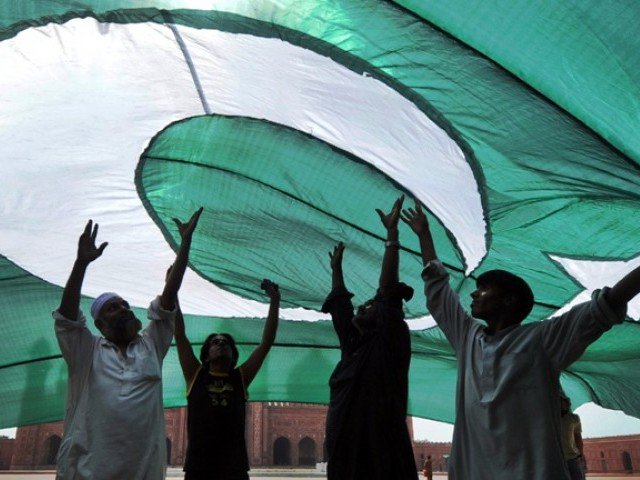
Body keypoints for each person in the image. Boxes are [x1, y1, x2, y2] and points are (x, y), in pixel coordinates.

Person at [401, 199, 636, 479]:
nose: (474, 294)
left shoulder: (543, 339)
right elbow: (439, 292)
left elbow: (607, 304)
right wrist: (424, 235)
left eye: (484, 289)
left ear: (509, 300)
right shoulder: (469, 340)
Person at [53, 208, 202, 480]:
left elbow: (170, 296)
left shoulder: (150, 346)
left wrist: (185, 245)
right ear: (99, 324)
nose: (123, 309)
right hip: (86, 473)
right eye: (112, 308)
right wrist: (81, 264)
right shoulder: (86, 352)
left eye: (124, 304)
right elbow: (66, 317)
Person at [323, 196, 417, 480]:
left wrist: (392, 235)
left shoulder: (389, 345)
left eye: (370, 306)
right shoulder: (353, 350)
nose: (362, 306)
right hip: (345, 460)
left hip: (381, 460)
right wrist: (336, 271)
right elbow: (341, 310)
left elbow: (387, 290)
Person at [175, 275, 280, 480]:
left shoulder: (240, 378)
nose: (221, 343)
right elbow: (179, 335)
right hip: (199, 467)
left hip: (234, 467)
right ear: (206, 355)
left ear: (233, 355)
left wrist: (275, 302)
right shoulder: (195, 375)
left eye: (226, 343)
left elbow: (265, 343)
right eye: (215, 342)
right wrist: (173, 291)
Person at [561, 392, 586, 480]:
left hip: (572, 458)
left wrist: (581, 455)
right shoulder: (552, 418)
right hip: (557, 458)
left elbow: (578, 438)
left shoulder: (574, 418)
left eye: (564, 401)